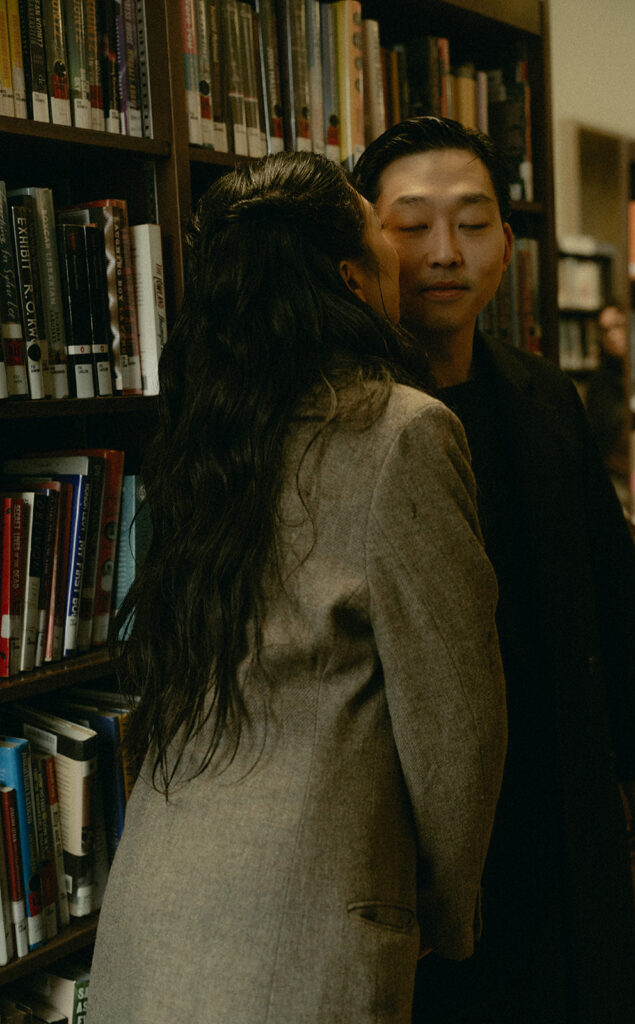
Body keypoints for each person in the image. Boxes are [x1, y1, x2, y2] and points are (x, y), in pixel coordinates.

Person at [86, 151, 507, 1024]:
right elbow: (454, 718)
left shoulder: (207, 434)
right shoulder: (402, 432)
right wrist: (443, 908)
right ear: (350, 278)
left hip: (156, 911)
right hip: (314, 921)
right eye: (381, 233)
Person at [353, 117, 635, 1024]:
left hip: (560, 777)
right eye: (411, 224)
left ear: (507, 243)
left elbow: (608, 586)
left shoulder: (542, 396)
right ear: (361, 242)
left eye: (471, 221)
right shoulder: (340, 417)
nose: (444, 253)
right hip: (421, 812)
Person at [585, 304, 629, 504]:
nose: (612, 335)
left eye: (618, 326)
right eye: (605, 330)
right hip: (617, 475)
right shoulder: (600, 382)